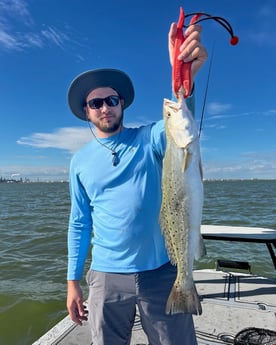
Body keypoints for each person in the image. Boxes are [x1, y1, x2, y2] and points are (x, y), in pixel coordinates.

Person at [66, 20, 207, 345]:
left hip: (160, 271)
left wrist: (183, 74)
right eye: (95, 103)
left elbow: (180, 127)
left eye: (111, 100)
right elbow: (79, 223)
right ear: (86, 112)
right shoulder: (79, 162)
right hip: (105, 277)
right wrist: (73, 281)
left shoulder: (149, 138)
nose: (104, 107)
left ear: (122, 104)